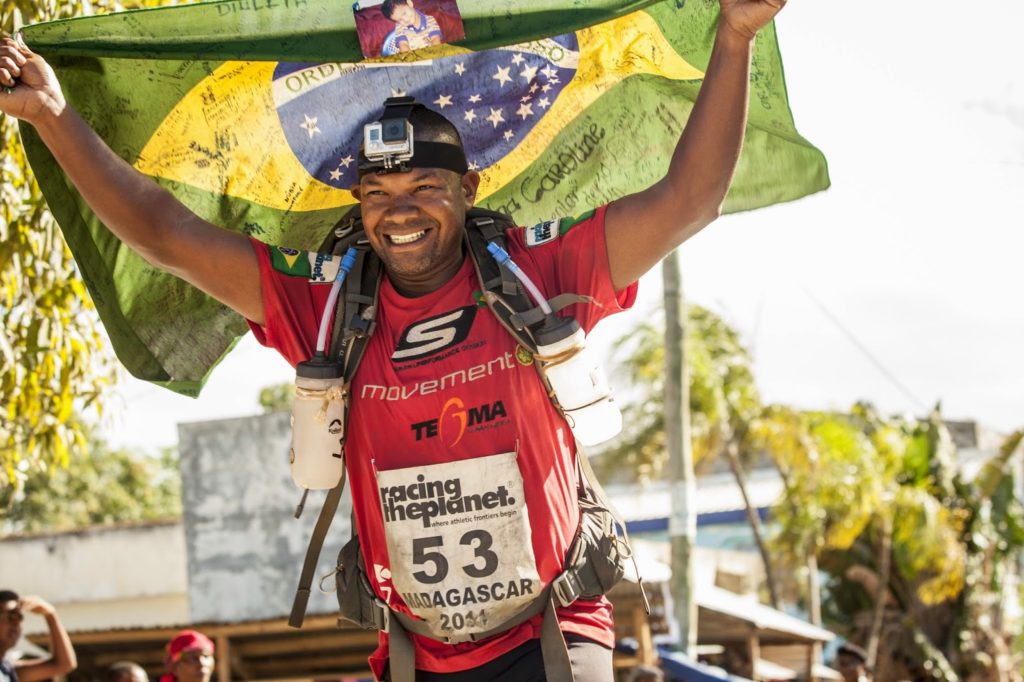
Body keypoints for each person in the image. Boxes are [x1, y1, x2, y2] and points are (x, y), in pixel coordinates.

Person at [0, 0, 787, 677]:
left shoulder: (540, 271)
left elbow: (688, 200)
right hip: (417, 656)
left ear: (468, 188)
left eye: (423, 188)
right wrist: (55, 116)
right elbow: (167, 234)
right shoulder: (327, 301)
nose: (398, 212)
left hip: (551, 637)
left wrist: (734, 37)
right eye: (377, 193)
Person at [0, 590, 77, 682]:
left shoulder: (7, 670)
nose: (16, 623)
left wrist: (50, 615)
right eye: (10, 616)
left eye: (19, 617)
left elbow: (63, 664)